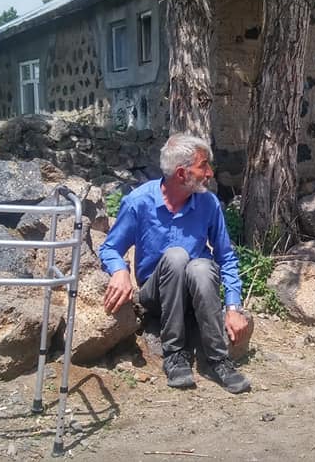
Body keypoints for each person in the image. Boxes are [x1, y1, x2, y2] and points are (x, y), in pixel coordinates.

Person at [98, 133, 251, 394]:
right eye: (203, 166)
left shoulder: (208, 203)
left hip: (197, 293)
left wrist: (233, 307)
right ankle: (175, 355)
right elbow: (110, 247)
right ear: (182, 173)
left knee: (201, 266)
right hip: (157, 294)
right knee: (176, 256)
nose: (210, 173)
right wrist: (120, 270)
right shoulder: (139, 202)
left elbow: (226, 257)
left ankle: (219, 359)